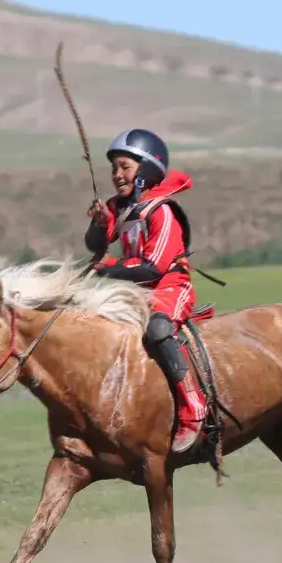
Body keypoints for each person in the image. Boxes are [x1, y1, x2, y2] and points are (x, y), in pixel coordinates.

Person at [84, 128, 209, 453]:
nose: (117, 175)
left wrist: (108, 267)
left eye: (124, 166)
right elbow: (95, 245)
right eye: (114, 169)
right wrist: (99, 222)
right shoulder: (120, 208)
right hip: (135, 292)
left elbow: (153, 266)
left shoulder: (161, 210)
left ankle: (193, 405)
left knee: (157, 328)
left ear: (147, 169)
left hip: (170, 286)